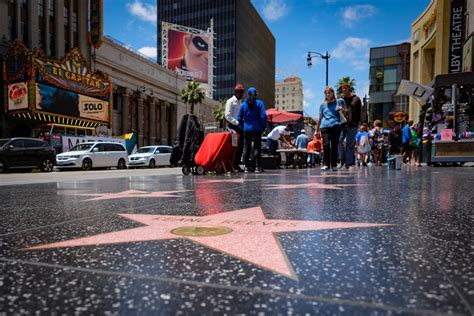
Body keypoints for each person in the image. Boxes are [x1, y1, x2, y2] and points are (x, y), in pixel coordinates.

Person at [237, 87, 267, 173]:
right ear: (256, 94)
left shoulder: (243, 104)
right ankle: (258, 167)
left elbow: (239, 117)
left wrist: (243, 126)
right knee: (257, 147)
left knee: (246, 147)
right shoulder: (259, 103)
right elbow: (263, 116)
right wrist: (263, 126)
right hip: (257, 128)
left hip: (246, 129)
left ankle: (246, 167)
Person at [315, 86, 345, 171]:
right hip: (324, 127)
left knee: (334, 146)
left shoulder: (339, 102)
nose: (327, 94)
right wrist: (316, 130)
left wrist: (342, 109)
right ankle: (326, 164)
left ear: (333, 93)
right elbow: (320, 118)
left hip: (336, 125)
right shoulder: (322, 105)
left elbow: (346, 111)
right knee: (326, 145)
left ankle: (334, 164)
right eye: (326, 93)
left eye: (329, 92)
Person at [338, 83, 362, 169]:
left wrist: (360, 123)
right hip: (342, 124)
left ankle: (348, 163)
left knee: (350, 144)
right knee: (339, 141)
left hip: (353, 124)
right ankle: (342, 160)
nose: (344, 90)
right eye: (342, 89)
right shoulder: (340, 100)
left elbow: (360, 112)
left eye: (345, 88)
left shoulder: (356, 99)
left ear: (349, 88)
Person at [225, 84, 246, 172]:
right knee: (234, 146)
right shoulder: (230, 101)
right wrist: (237, 123)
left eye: (242, 92)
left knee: (240, 147)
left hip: (240, 127)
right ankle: (232, 164)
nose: (242, 94)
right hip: (233, 126)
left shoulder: (241, 102)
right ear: (235, 92)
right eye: (240, 92)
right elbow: (227, 115)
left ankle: (236, 164)